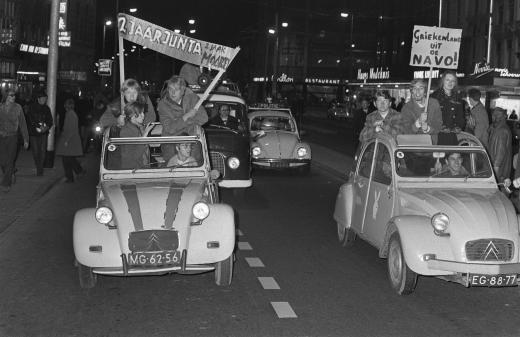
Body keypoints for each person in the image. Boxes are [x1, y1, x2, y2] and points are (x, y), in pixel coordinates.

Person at [158, 75, 208, 161]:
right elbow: (170, 128)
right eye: (170, 89)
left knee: (194, 170)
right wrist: (186, 116)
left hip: (192, 143)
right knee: (173, 172)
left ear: (183, 90)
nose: (172, 93)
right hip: (171, 144)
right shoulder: (162, 104)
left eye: (176, 90)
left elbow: (204, 118)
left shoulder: (193, 98)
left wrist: (178, 122)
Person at [0, 90, 29, 192]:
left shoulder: (18, 108)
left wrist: (26, 139)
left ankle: (6, 184)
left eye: (14, 95)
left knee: (10, 160)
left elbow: (23, 124)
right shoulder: (1, 107)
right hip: (2, 137)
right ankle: (11, 172)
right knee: (3, 161)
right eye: (11, 95)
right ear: (6, 96)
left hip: (13, 137)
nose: (14, 97)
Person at [55, 99, 85, 183]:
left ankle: (71, 176)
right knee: (69, 158)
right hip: (72, 139)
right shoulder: (71, 114)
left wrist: (66, 140)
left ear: (66, 106)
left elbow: (71, 129)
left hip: (70, 139)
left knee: (66, 159)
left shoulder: (70, 114)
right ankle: (76, 172)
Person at [26, 90, 53, 176]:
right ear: (38, 99)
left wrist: (46, 127)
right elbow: (31, 119)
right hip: (33, 133)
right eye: (43, 98)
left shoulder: (47, 108)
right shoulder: (32, 107)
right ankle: (39, 168)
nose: (44, 100)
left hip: (43, 133)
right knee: (36, 151)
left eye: (45, 99)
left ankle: (39, 168)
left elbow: (50, 120)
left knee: (43, 152)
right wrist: (38, 126)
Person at [119, 102, 148, 169]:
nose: (143, 115)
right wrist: (144, 140)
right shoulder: (126, 131)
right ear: (132, 115)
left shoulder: (138, 127)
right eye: (140, 113)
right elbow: (132, 157)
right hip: (132, 172)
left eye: (143, 113)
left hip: (139, 169)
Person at [488, 107, 512, 184]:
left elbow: (500, 154)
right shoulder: (499, 128)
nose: (493, 118)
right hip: (500, 169)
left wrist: (494, 174)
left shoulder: (501, 131)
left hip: (499, 170)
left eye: (495, 116)